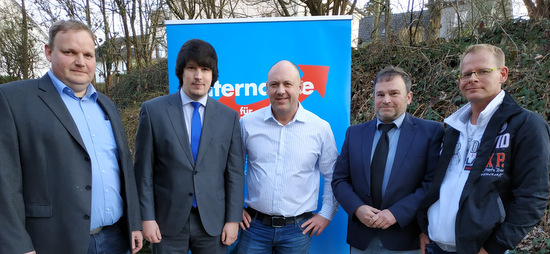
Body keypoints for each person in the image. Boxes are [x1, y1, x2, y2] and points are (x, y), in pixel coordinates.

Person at [0, 19, 143, 254]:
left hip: (115, 239)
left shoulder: (106, 104)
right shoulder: (13, 100)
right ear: (49, 52)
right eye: (70, 52)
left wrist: (133, 223)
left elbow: (123, 168)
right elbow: (5, 181)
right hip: (53, 243)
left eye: (88, 55)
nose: (81, 62)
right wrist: (17, 245)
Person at [417, 43, 550, 254]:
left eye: (483, 71)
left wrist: (494, 247)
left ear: (503, 74)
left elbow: (532, 197)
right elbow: (437, 184)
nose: (473, 79)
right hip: (436, 247)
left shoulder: (526, 125)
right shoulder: (452, 127)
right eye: (467, 73)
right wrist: (424, 229)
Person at [134, 38, 244, 253]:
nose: (198, 76)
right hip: (166, 221)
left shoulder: (228, 117)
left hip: (213, 222)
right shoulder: (153, 111)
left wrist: (233, 219)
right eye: (191, 68)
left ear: (213, 76)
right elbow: (143, 171)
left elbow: (235, 173)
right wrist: (146, 217)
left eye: (204, 69)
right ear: (181, 72)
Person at [331, 66, 444, 253]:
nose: (386, 100)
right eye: (380, 94)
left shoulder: (431, 132)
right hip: (362, 238)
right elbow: (340, 180)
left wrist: (396, 213)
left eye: (394, 93)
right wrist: (358, 208)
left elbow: (431, 184)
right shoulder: (355, 133)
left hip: (405, 238)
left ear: (409, 97)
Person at [236, 60, 339, 253]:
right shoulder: (247, 123)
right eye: (274, 84)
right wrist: (234, 207)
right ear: (266, 88)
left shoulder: (320, 128)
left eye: (287, 84)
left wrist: (326, 213)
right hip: (254, 228)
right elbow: (232, 169)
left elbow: (333, 175)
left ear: (300, 87)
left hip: (297, 231)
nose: (280, 90)